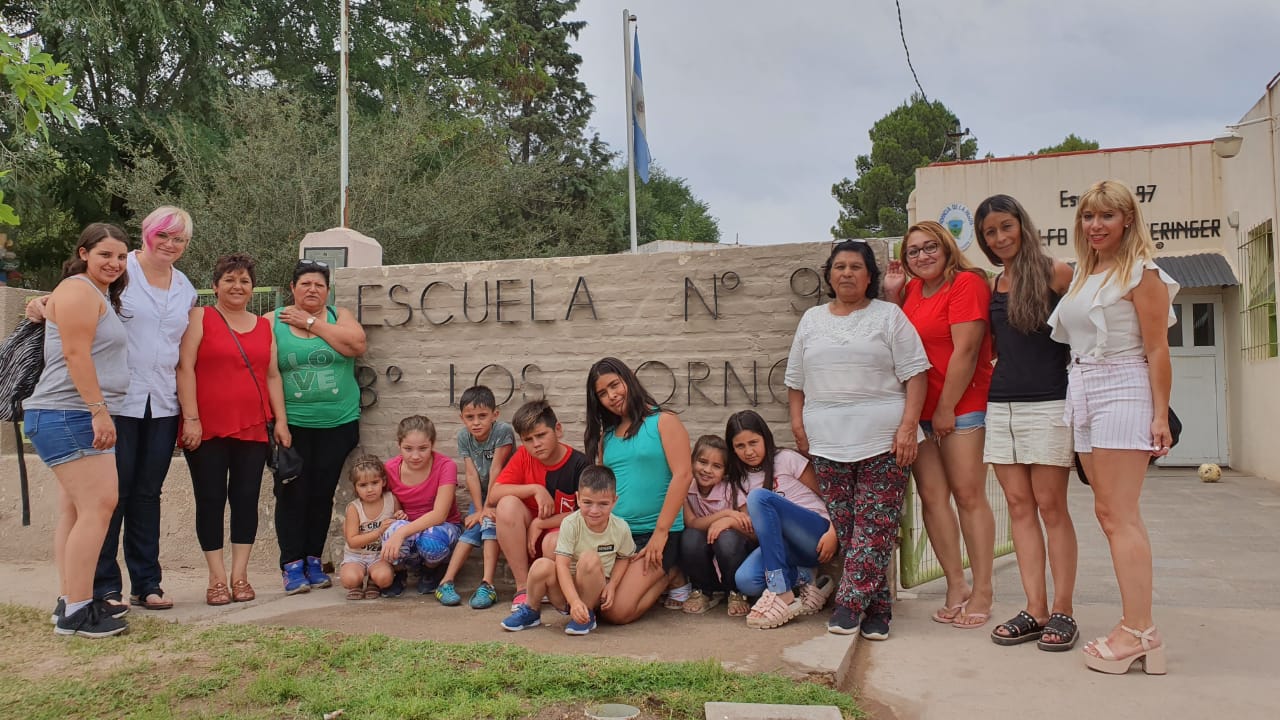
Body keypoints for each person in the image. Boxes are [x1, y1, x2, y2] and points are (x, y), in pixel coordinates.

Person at [27, 207, 198, 613]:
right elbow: (66, 311)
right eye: (164, 236)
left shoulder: (186, 288)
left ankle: (147, 582)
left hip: (161, 403)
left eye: (180, 240)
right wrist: (38, 304)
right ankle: (101, 586)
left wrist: (189, 412)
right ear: (146, 234)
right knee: (106, 499)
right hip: (112, 403)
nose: (170, 245)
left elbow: (183, 355)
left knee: (146, 495)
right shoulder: (116, 273)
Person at [1047, 180, 1177, 675]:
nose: (1096, 225)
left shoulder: (1143, 273)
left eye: (1107, 216)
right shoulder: (1086, 274)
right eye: (1088, 217)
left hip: (1125, 386)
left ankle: (1139, 631)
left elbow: (1157, 348)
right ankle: (1137, 628)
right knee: (1107, 512)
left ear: (1128, 220)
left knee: (1121, 515)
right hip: (1083, 389)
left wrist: (1160, 413)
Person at [787, 240, 929, 638]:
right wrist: (799, 426)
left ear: (870, 275)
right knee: (849, 528)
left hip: (884, 439)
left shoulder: (890, 316)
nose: (846, 273)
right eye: (839, 267)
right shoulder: (812, 320)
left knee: (875, 524)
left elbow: (917, 373)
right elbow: (795, 382)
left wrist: (907, 427)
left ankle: (849, 605)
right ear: (829, 275)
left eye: (855, 266)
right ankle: (879, 610)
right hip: (827, 441)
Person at [975, 195, 1080, 651]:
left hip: (1051, 403)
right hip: (1002, 406)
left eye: (1005, 226)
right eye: (990, 233)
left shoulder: (1058, 273)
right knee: (1018, 508)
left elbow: (1085, 338)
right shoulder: (994, 283)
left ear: (1023, 223)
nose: (1000, 238)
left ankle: (1063, 611)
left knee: (1051, 508)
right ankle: (1034, 609)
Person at [885, 221, 997, 629]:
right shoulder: (913, 290)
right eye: (913, 251)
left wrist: (947, 407)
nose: (922, 256)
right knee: (933, 499)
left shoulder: (966, 284)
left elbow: (966, 351)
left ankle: (983, 589)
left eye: (930, 247)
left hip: (961, 406)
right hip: (921, 411)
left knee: (969, 497)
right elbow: (902, 342)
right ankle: (957, 585)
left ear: (947, 247)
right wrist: (894, 295)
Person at [26, 223, 131, 637]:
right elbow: (74, 354)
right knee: (99, 506)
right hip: (69, 413)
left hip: (71, 414)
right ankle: (78, 610)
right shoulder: (76, 290)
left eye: (121, 257)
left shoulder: (93, 293)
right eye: (106, 254)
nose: (115, 263)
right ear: (84, 252)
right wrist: (98, 411)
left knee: (75, 511)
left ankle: (70, 601)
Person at [177, 253, 290, 606]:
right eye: (229, 279)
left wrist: (281, 422)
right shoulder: (201, 317)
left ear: (252, 288)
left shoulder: (264, 326)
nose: (237, 286)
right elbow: (185, 368)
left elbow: (272, 375)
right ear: (215, 286)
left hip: (254, 427)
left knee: (245, 501)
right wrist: (191, 417)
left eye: (244, 281)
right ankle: (215, 578)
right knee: (210, 501)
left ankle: (240, 576)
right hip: (206, 428)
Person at [269, 258, 367, 594]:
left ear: (328, 290)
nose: (312, 289)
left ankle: (313, 558)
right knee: (292, 494)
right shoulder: (274, 321)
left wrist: (310, 322)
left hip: (338, 424)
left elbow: (356, 345)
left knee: (321, 495)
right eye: (305, 284)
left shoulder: (341, 317)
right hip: (292, 425)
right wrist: (279, 420)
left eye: (319, 285)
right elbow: (269, 373)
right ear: (293, 288)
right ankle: (292, 565)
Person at [584, 357, 694, 625]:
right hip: (617, 537)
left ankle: (671, 573)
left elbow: (683, 475)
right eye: (602, 393)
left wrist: (660, 533)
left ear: (629, 378)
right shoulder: (606, 437)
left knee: (616, 611)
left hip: (657, 537)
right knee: (594, 600)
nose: (611, 396)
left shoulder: (664, 421)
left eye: (614, 385)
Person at [727, 411, 837, 630]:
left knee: (759, 497)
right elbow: (758, 532)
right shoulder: (739, 482)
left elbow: (832, 497)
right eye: (740, 446)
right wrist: (730, 520)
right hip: (783, 548)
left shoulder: (786, 459)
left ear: (765, 438)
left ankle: (781, 591)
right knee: (746, 580)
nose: (748, 452)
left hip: (815, 534)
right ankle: (805, 577)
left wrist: (834, 532)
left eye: (753, 442)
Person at [500, 465, 636, 635]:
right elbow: (562, 565)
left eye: (603, 504)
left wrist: (613, 586)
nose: (594, 510)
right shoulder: (571, 523)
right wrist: (573, 600)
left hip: (594, 592)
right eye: (587, 502)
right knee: (541, 564)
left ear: (614, 501)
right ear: (578, 499)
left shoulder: (621, 527)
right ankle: (531, 610)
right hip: (566, 592)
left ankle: (586, 614)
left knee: (589, 558)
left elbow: (624, 558)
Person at [491, 399, 591, 611]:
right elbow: (494, 494)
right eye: (528, 439)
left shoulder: (580, 464)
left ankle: (557, 590)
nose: (536, 444)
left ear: (558, 429)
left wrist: (541, 523)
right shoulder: (524, 456)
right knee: (506, 505)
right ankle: (523, 588)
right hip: (525, 540)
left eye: (541, 435)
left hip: (557, 542)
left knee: (553, 541)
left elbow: (588, 513)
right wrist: (535, 489)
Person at [435, 386, 515, 609]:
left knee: (488, 524)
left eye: (482, 416)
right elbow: (470, 474)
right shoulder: (464, 437)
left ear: (495, 415)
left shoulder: (503, 432)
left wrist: (488, 507)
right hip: (481, 496)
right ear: (462, 418)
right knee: (472, 527)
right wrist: (479, 509)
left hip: (503, 493)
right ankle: (446, 582)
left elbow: (496, 469)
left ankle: (487, 584)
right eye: (470, 418)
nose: (476, 422)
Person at [378, 415, 462, 597]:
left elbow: (440, 515)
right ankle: (400, 573)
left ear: (433, 444)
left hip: (440, 527)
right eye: (408, 449)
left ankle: (430, 571)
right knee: (391, 531)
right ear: (398, 445)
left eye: (423, 448)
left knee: (430, 542)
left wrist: (401, 533)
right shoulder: (390, 469)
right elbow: (383, 501)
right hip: (408, 528)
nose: (415, 456)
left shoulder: (446, 466)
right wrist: (393, 520)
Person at [679, 434, 754, 616]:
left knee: (727, 538)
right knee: (690, 536)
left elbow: (749, 526)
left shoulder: (732, 490)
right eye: (702, 462)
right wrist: (725, 514)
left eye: (716, 466)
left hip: (732, 556)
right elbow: (692, 522)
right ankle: (703, 591)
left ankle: (735, 592)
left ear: (725, 472)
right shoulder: (686, 488)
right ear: (692, 461)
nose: (707, 470)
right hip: (704, 557)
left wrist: (727, 523)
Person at [339, 455, 404, 599]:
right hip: (356, 555)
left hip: (380, 556)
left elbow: (398, 523)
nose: (369, 489)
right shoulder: (354, 508)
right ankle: (357, 584)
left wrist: (401, 517)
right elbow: (353, 541)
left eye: (374, 483)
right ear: (355, 487)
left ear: (383, 482)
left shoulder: (391, 500)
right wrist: (378, 531)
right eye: (363, 485)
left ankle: (373, 582)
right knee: (349, 579)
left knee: (385, 578)